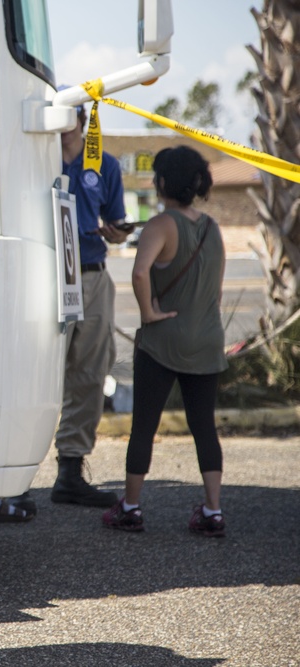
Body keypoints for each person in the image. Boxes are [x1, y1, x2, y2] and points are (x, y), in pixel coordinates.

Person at [102, 145, 227, 537]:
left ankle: (131, 506)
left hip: (163, 341)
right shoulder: (212, 228)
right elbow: (216, 290)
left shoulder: (160, 225)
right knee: (204, 426)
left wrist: (149, 313)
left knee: (144, 425)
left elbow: (140, 274)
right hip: (207, 339)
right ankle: (212, 510)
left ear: (161, 183)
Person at [50, 96, 130, 507]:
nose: (64, 125)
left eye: (70, 117)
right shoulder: (38, 158)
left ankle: (70, 469)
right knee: (40, 370)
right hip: (46, 276)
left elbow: (116, 223)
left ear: (82, 121)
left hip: (92, 274)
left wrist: (117, 234)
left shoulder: (106, 165)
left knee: (90, 371)